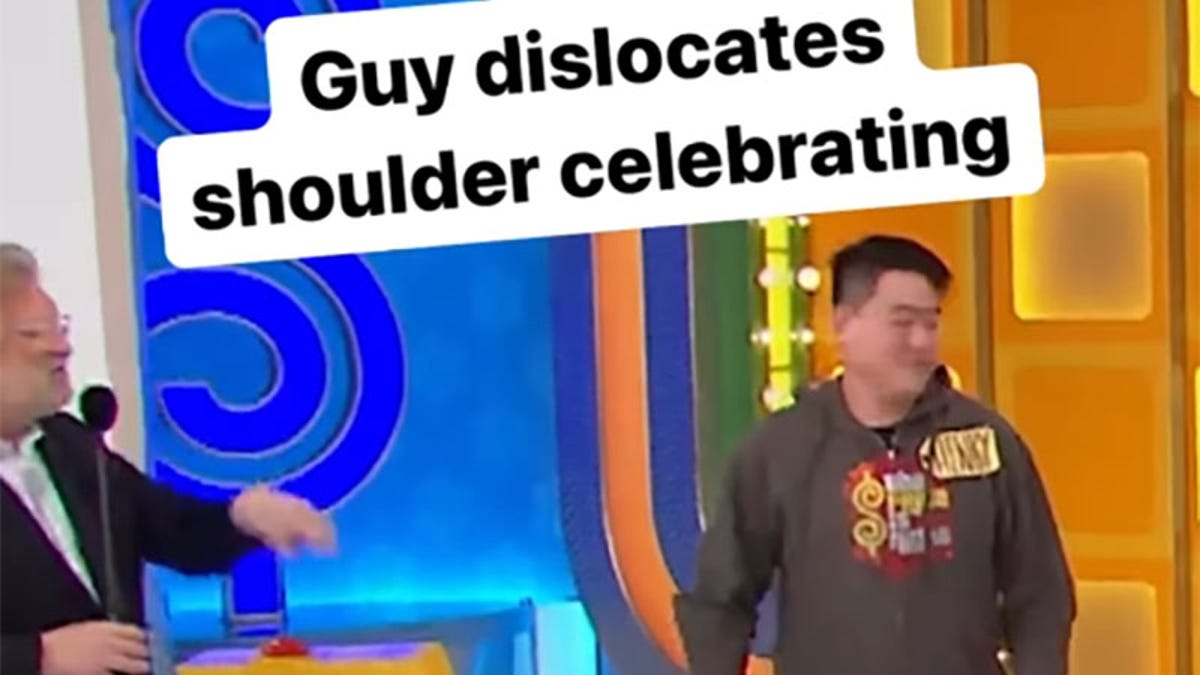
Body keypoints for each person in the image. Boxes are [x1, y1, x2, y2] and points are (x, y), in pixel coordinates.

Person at [674, 235, 1075, 675]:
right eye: (902, 323)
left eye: (931, 323)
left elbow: (1041, 595)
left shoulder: (986, 440)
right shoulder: (781, 448)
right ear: (844, 324)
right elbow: (718, 603)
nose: (921, 341)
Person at [0, 243, 337, 675]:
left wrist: (242, 517)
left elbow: (173, 529)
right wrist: (37, 657)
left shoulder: (70, 444)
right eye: (34, 334)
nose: (61, 348)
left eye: (60, 328)